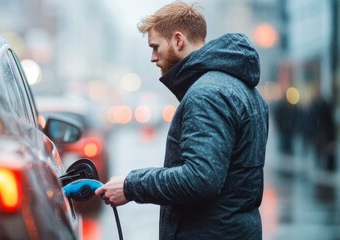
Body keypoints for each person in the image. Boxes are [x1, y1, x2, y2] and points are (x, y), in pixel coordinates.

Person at [95, 1, 269, 239]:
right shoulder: (240, 88)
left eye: (156, 47)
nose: (153, 58)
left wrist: (130, 186)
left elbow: (200, 179)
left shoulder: (207, 94)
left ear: (178, 40)